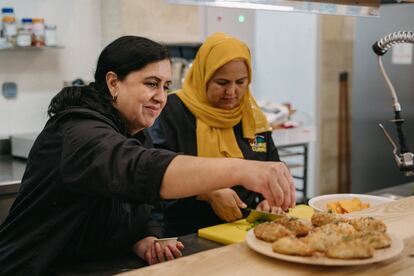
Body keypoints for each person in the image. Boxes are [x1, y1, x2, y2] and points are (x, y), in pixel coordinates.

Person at [0, 35, 295, 275]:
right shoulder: (80, 131)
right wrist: (241, 170)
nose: (161, 97)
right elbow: (141, 170)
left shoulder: (130, 131)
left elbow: (131, 203)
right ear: (113, 82)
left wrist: (142, 238)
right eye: (150, 83)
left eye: (166, 86)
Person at [151, 32, 295, 236]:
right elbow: (154, 174)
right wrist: (207, 191)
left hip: (243, 230)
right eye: (222, 82)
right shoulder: (172, 111)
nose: (232, 92)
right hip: (185, 233)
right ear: (203, 77)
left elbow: (271, 166)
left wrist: (269, 201)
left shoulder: (251, 116)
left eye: (241, 82)